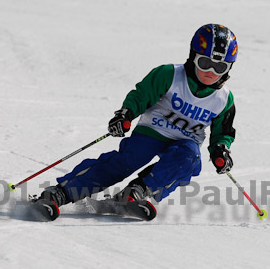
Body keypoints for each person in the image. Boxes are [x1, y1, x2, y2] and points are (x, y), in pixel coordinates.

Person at [38, 23, 238, 217]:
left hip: (186, 141)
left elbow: (223, 132)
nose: (210, 72)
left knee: (189, 160)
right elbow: (141, 96)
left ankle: (135, 192)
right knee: (128, 161)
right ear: (193, 56)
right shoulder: (169, 74)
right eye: (205, 63)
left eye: (219, 67)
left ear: (228, 69)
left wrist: (221, 149)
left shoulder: (223, 99)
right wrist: (125, 115)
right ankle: (61, 193)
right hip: (153, 130)